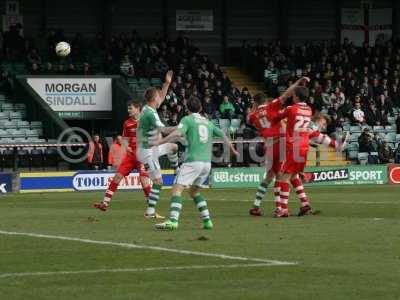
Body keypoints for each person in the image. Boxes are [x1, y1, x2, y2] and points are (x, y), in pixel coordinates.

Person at [150, 97, 239, 230]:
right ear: (201, 109)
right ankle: (207, 221)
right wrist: (232, 149)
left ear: (187, 109)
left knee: (176, 189)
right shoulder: (207, 122)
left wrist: (160, 142)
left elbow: (177, 134)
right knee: (194, 192)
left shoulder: (187, 119)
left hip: (193, 161)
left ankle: (173, 221)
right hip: (206, 164)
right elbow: (222, 134)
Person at [247, 77, 310, 217]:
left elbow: (249, 118)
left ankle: (256, 206)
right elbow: (287, 93)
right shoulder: (272, 106)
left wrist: (253, 107)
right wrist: (298, 83)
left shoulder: (253, 115)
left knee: (270, 176)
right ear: (266, 100)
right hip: (280, 143)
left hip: (268, 146)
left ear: (256, 103)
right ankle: (283, 207)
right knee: (284, 175)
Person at [94, 101, 152, 212]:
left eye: (130, 108)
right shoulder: (127, 123)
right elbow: (125, 139)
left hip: (143, 155)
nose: (128, 111)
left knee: (144, 179)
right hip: (130, 156)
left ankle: (151, 207)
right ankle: (105, 203)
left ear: (137, 108)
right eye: (128, 108)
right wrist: (127, 147)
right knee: (117, 176)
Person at [137, 70, 179, 219]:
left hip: (151, 148)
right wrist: (180, 127)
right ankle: (150, 212)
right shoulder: (150, 113)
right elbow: (164, 129)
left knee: (174, 147)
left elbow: (162, 95)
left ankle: (177, 172)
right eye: (158, 95)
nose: (160, 97)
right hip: (147, 153)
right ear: (153, 98)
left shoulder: (149, 108)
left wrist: (167, 83)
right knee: (158, 182)